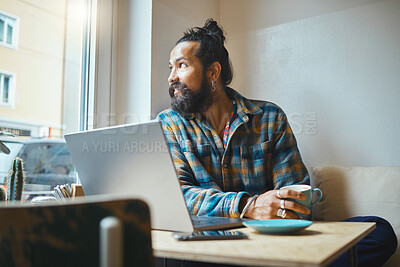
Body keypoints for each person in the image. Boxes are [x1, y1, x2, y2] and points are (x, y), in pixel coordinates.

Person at [157, 19, 397, 267]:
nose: (171, 77)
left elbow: (296, 193)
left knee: (378, 231)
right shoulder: (169, 123)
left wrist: (285, 209)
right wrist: (247, 205)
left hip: (270, 239)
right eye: (170, 68)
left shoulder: (269, 117)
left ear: (213, 72)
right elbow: (179, 197)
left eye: (181, 66)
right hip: (212, 244)